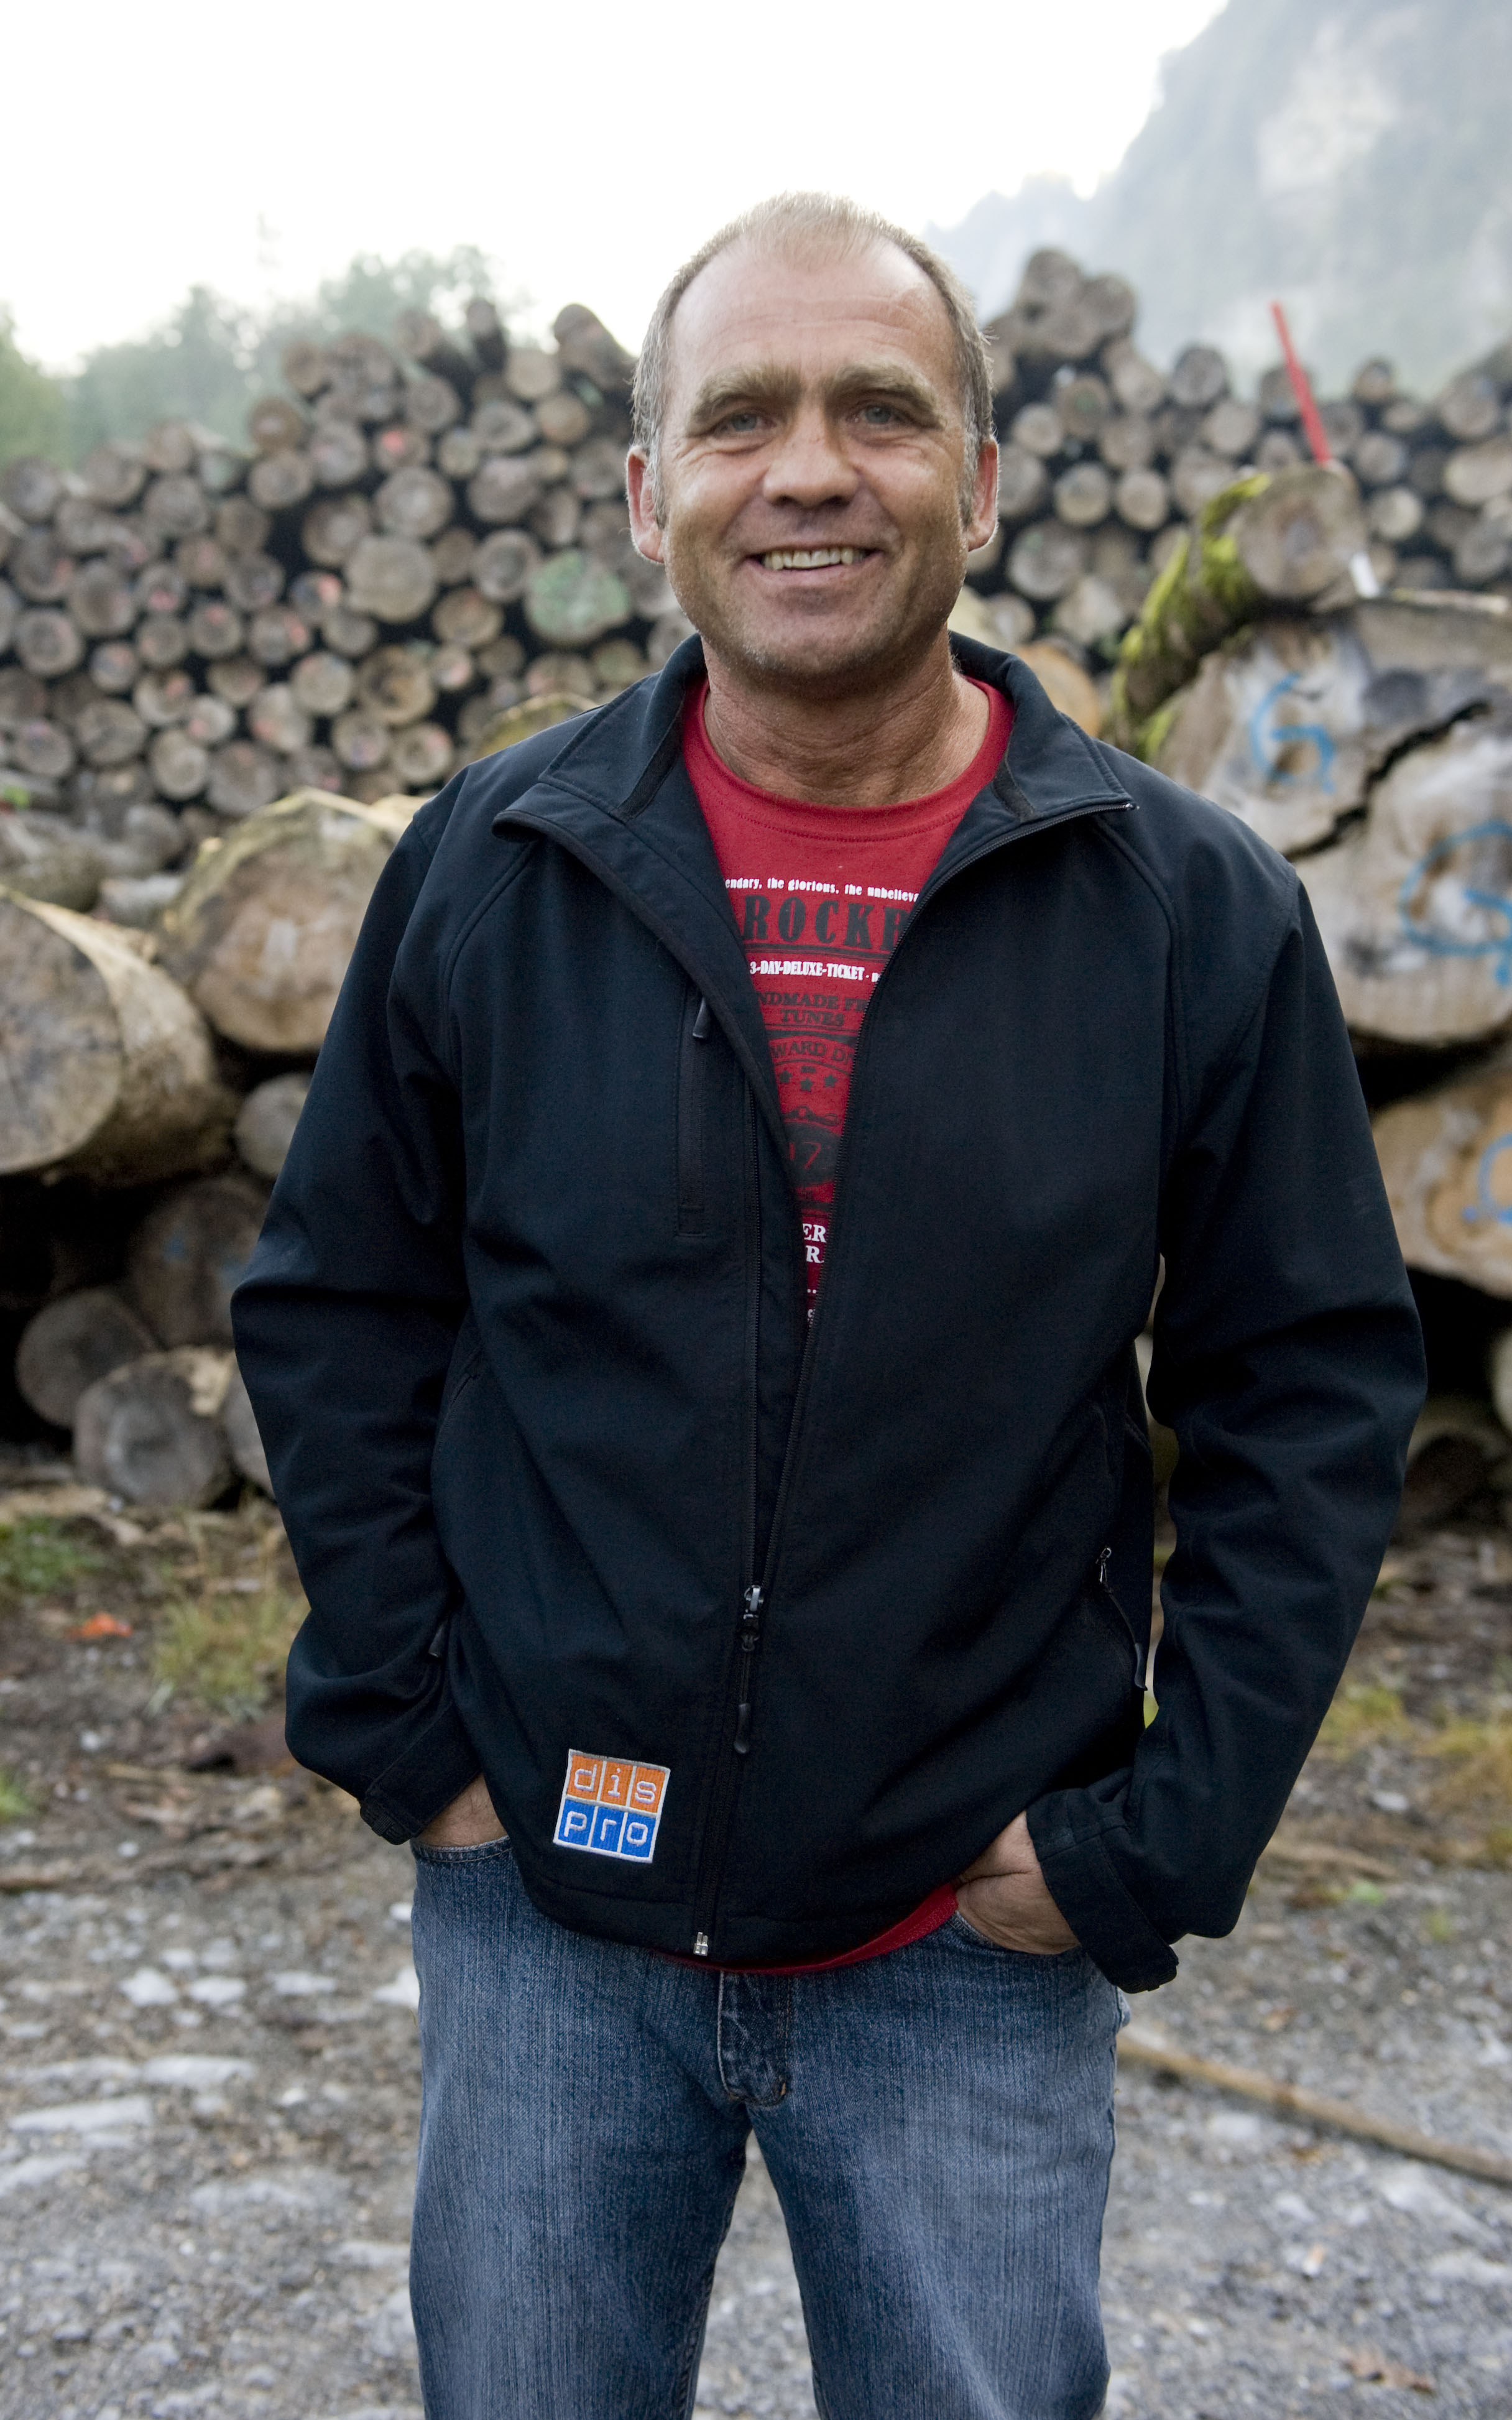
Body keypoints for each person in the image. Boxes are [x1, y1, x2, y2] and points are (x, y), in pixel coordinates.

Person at [233, 192, 1424, 2420]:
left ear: (980, 480)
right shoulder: (496, 864)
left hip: (967, 1937)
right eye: (740, 418)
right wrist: (416, 1733)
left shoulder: (1183, 908)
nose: (808, 470)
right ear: (647, 493)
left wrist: (1152, 1838)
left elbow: (1313, 1392)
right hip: (552, 1907)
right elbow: (337, 1309)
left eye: (880, 410)